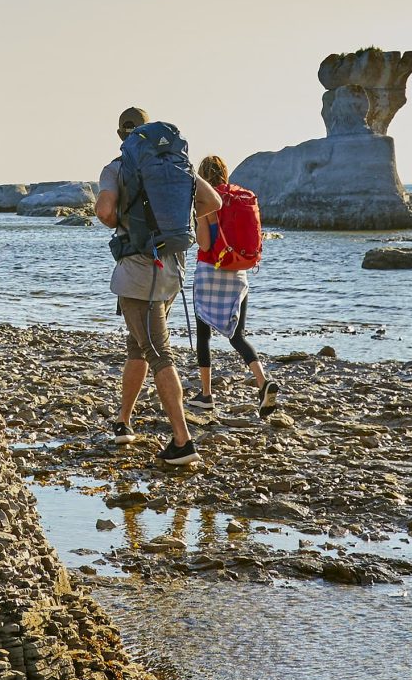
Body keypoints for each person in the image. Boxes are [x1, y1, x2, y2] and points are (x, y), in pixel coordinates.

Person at [94, 104, 210, 462]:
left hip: (137, 274)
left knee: (158, 352)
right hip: (171, 269)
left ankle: (182, 441)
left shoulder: (117, 168)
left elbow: (104, 211)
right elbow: (213, 201)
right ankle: (123, 422)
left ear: (120, 136)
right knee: (138, 345)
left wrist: (123, 224)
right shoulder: (177, 164)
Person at [188, 152, 283, 423]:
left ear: (202, 176)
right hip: (238, 272)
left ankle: (205, 395)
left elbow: (205, 245)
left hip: (210, 272)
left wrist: (197, 222)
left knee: (204, 334)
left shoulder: (206, 201)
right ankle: (263, 382)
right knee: (237, 335)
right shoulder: (240, 197)